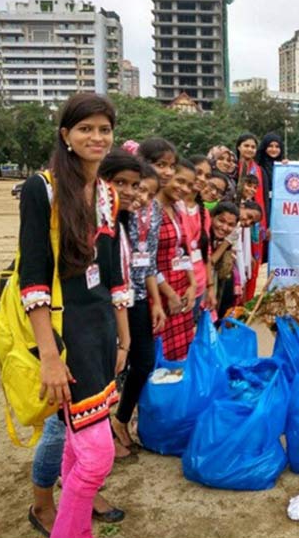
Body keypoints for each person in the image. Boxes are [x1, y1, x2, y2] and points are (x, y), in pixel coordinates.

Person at [21, 93, 131, 538]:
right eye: (86, 128)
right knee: (98, 453)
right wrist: (49, 354)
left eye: (104, 129)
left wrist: (123, 338)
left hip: (101, 328)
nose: (97, 137)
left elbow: (112, 272)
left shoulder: (107, 192)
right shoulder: (41, 188)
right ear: (66, 135)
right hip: (65, 333)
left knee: (79, 437)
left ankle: (70, 517)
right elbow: (34, 278)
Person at [110, 162, 166, 461]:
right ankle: (105, 433)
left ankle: (119, 419)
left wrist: (156, 302)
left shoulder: (153, 212)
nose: (141, 196)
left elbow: (150, 261)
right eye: (138, 188)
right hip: (112, 301)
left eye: (148, 192)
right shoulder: (114, 215)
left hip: (140, 297)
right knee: (114, 366)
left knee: (143, 362)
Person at [156, 159, 197, 360]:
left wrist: (192, 283)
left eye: (189, 185)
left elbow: (182, 249)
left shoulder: (177, 209)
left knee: (181, 356)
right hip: (159, 294)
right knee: (159, 358)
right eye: (180, 181)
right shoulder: (151, 210)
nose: (184, 188)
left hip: (180, 290)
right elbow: (146, 262)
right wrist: (169, 294)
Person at [181, 156, 215, 321]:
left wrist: (210, 287)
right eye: (198, 172)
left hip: (199, 287)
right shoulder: (173, 208)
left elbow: (206, 252)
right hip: (179, 287)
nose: (202, 179)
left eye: (207, 176)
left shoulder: (204, 213)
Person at [236, 133, 268, 301]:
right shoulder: (233, 167)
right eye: (246, 145)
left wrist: (263, 224)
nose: (249, 149)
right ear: (239, 147)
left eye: (253, 147)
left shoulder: (258, 170)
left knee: (253, 265)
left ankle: (246, 302)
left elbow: (261, 199)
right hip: (235, 221)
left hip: (253, 224)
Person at [209, 202, 240, 319]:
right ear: (212, 217)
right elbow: (210, 262)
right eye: (221, 221)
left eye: (230, 225)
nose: (224, 227)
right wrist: (227, 242)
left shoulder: (219, 240)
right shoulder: (204, 234)